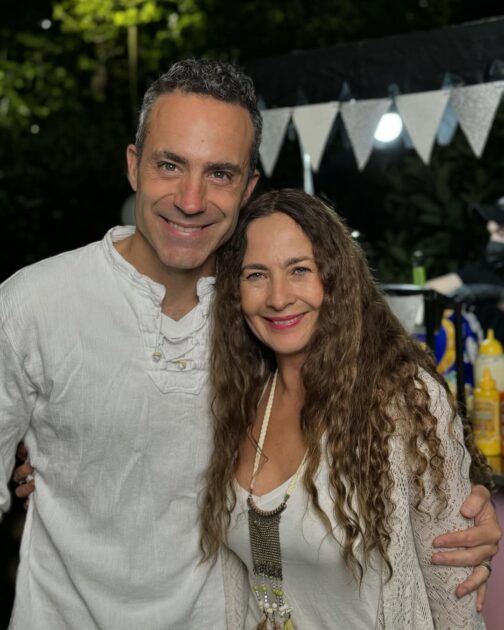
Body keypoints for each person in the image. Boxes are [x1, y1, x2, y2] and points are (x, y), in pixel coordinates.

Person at [0, 59, 499, 629]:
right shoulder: (32, 305)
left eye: (220, 173)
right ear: (134, 165)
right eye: (170, 165)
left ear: (248, 187)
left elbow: (379, 434)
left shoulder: (260, 318)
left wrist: (457, 506)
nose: (191, 199)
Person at [200, 188, 498, 629]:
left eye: (300, 270)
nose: (278, 297)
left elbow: (454, 598)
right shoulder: (239, 399)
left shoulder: (402, 401)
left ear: (335, 278)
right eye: (256, 275)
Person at [427, 197, 504, 344]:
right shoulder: (487, 267)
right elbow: (429, 289)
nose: (493, 241)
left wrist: (494, 292)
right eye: (491, 233)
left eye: (500, 233)